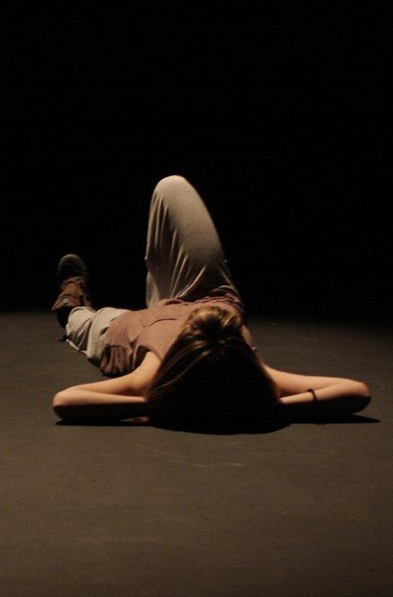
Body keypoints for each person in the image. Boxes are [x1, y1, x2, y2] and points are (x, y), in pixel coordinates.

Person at [50, 175, 370, 430]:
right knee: (171, 186)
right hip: (204, 294)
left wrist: (158, 404)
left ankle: (71, 301)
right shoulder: (255, 372)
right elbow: (357, 391)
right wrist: (269, 406)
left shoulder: (150, 377)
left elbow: (65, 401)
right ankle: (150, 290)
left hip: (125, 329)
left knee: (80, 319)